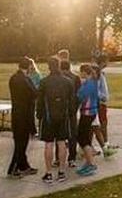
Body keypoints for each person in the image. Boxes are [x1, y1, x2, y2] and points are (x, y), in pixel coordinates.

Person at [36, 56, 75, 185]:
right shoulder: (68, 82)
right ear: (59, 65)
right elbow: (72, 101)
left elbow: (40, 101)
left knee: (48, 144)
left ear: (48, 66)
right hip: (63, 116)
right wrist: (70, 114)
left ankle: (48, 173)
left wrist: (39, 115)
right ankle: (62, 171)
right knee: (62, 142)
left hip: (48, 117)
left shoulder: (44, 82)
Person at [7, 58, 38, 177]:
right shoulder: (25, 80)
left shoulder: (14, 78)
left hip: (17, 113)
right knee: (21, 143)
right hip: (24, 115)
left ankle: (24, 165)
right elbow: (34, 93)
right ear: (29, 66)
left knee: (21, 142)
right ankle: (14, 168)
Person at [74, 64, 100, 177]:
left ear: (85, 72)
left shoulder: (89, 84)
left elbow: (81, 96)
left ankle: (90, 164)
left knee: (82, 138)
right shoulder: (92, 82)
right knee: (84, 138)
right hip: (90, 112)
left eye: (81, 72)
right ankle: (88, 162)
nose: (80, 74)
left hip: (88, 113)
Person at [58, 56, 81, 166]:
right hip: (72, 110)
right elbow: (78, 96)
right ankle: (72, 158)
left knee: (59, 135)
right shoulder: (76, 78)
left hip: (61, 110)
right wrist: (75, 108)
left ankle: (58, 158)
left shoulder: (59, 79)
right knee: (72, 135)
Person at [93, 56, 116, 157]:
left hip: (100, 103)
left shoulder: (100, 73)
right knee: (99, 125)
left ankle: (104, 146)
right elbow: (96, 89)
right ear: (102, 62)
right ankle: (105, 146)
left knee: (97, 126)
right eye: (106, 61)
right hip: (98, 103)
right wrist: (102, 97)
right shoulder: (97, 73)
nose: (107, 63)